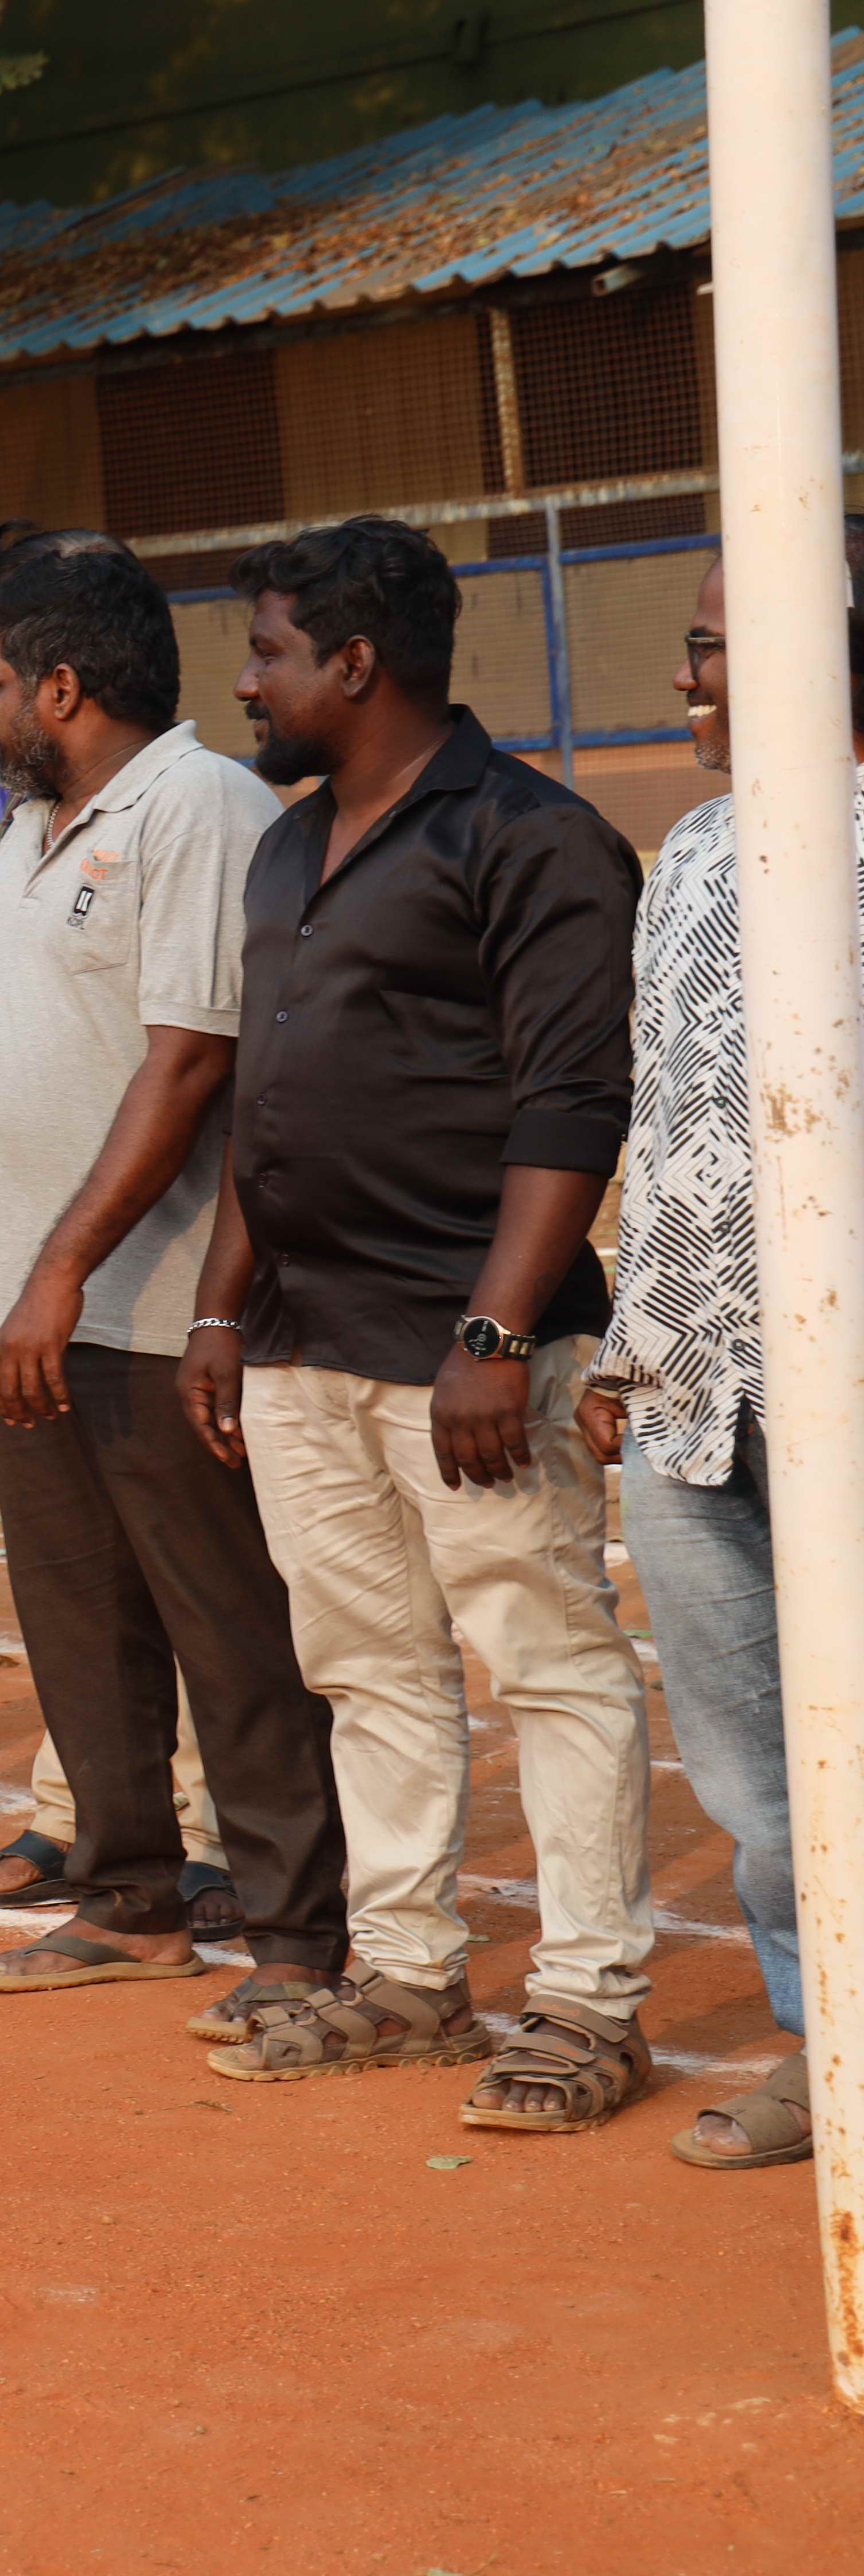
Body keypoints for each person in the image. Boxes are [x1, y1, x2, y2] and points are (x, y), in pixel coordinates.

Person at [180, 516, 655, 2136]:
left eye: (267, 654)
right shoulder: (285, 844)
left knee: (549, 1661)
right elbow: (266, 1100)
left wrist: (500, 1334)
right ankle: (408, 1975)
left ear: (356, 664)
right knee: (369, 1669)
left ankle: (591, 2002)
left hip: (461, 1345)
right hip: (306, 1336)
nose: (245, 685)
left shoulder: (532, 840)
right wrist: (221, 1308)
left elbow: (574, 1104)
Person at [0, 543, 344, 2027]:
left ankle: (295, 1937)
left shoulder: (198, 809)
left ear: (62, 687)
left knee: (226, 1632)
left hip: (150, 1310)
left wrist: (61, 1269)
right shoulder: (27, 834)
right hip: (41, 1313)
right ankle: (127, 1893)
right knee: (81, 1621)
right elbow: (5, 1068)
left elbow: (191, 1060)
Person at [579, 536, 864, 2172]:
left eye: (708, 647)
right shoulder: (687, 854)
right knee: (756, 1773)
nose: (683, 677)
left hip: (840, 1383)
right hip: (697, 1391)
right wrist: (631, 1345)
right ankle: (823, 2056)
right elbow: (662, 1110)